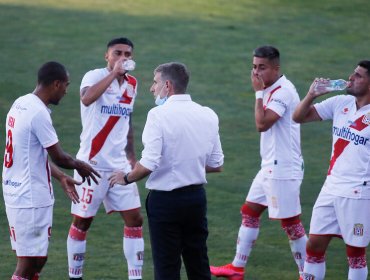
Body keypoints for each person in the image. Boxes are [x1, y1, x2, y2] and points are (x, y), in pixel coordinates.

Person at [108, 62, 224, 280]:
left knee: (167, 268)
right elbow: (217, 163)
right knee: (198, 263)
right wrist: (187, 165)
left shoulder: (157, 115)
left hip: (165, 203)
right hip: (196, 200)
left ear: (168, 86)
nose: (152, 88)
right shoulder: (208, 114)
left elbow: (148, 164)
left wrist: (125, 178)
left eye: (155, 82)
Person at [210, 46, 307, 280]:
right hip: (270, 166)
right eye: (254, 67)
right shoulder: (272, 88)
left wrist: (257, 93)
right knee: (250, 211)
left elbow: (262, 124)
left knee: (292, 225)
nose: (256, 73)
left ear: (276, 68)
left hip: (283, 168)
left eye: (262, 67)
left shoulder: (283, 92)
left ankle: (308, 274)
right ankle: (237, 268)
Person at [2, 61, 100, 280]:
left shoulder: (21, 103)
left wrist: (61, 176)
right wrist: (79, 165)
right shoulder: (39, 114)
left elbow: (32, 155)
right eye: (66, 85)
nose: (66, 91)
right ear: (56, 84)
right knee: (28, 265)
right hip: (31, 197)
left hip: (16, 191)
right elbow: (59, 156)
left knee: (36, 260)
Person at [67, 37, 144, 280]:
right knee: (82, 222)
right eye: (117, 53)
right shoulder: (94, 76)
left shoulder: (132, 83)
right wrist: (113, 74)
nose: (123, 58)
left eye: (128, 55)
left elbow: (127, 119)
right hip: (90, 164)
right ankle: (75, 275)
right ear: (107, 56)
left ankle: (135, 277)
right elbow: (86, 98)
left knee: (135, 219)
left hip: (119, 166)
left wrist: (131, 155)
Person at [293, 60, 370, 280]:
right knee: (314, 245)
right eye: (353, 73)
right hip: (331, 187)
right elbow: (298, 117)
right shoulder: (341, 103)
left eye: (359, 75)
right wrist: (311, 95)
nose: (351, 77)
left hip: (358, 193)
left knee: (355, 253)